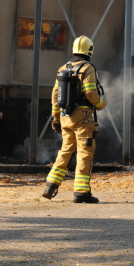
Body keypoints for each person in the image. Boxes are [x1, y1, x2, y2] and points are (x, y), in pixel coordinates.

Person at [41, 35, 106, 203]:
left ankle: (51, 185)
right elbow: (91, 92)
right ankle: (81, 192)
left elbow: (55, 96)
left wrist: (56, 117)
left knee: (65, 150)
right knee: (85, 152)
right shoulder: (88, 68)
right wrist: (100, 104)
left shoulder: (63, 68)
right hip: (82, 118)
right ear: (90, 50)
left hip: (65, 117)